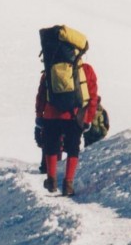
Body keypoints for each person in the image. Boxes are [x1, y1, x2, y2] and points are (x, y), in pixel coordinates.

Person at [36, 57, 99, 197]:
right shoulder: (86, 69)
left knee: (51, 146)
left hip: (51, 115)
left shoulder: (50, 68)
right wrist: (88, 118)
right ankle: (68, 184)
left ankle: (51, 180)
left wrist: (39, 114)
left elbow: (41, 95)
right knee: (73, 148)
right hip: (74, 116)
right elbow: (92, 96)